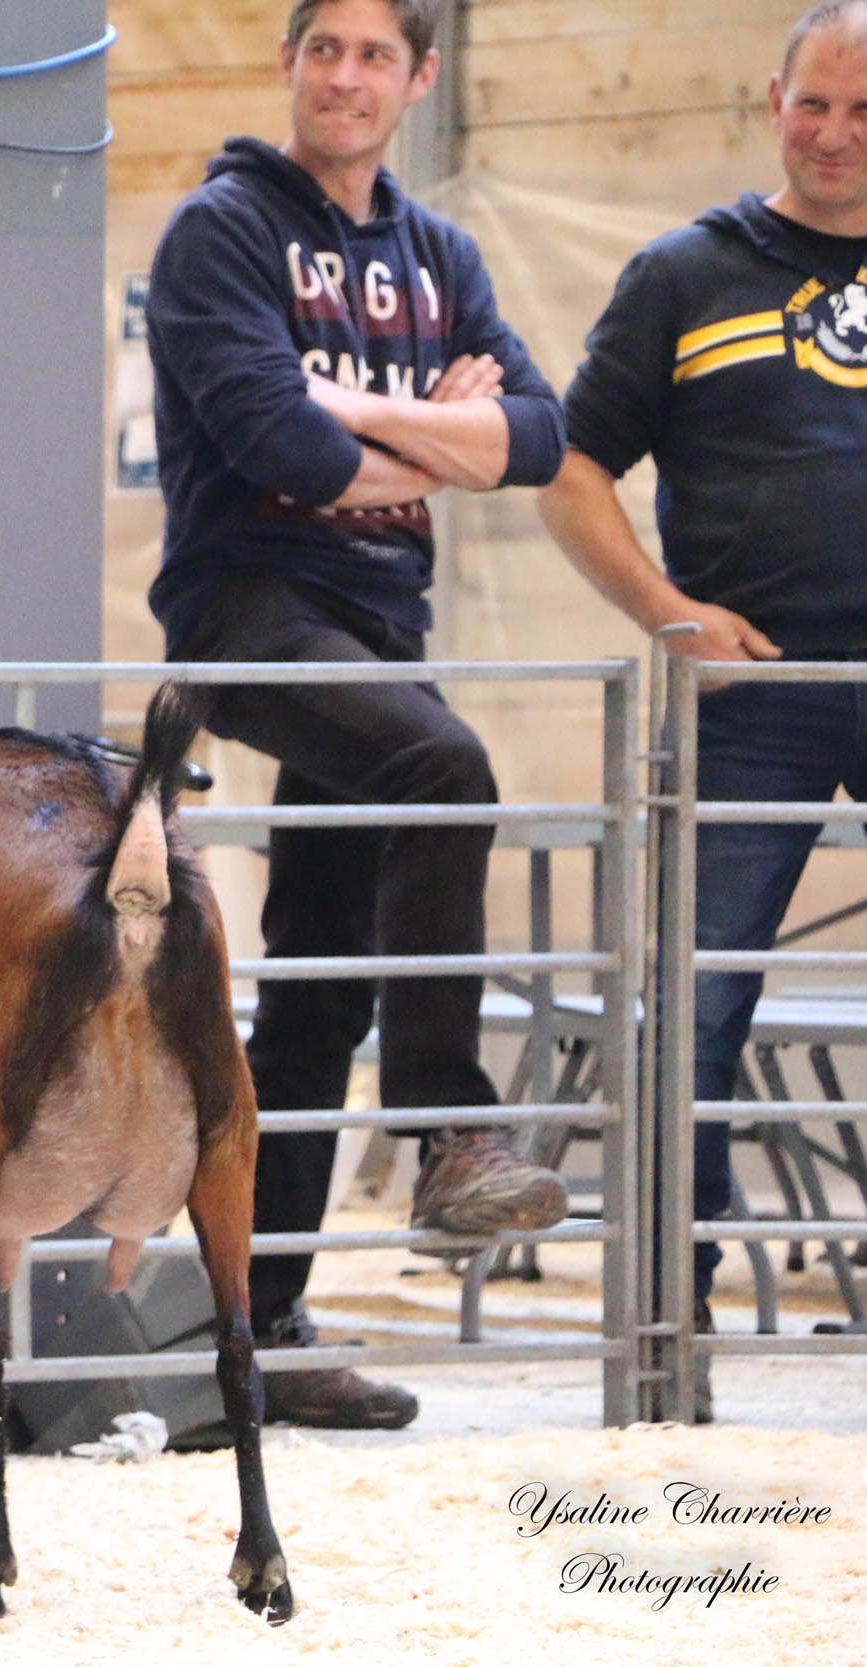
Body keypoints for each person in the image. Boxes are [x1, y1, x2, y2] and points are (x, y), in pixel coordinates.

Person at [145, 0, 570, 1430]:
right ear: (288, 63)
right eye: (323, 49)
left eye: (375, 55)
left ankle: (256, 1334)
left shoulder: (438, 252)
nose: (345, 77)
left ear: (416, 77)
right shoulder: (222, 231)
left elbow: (542, 435)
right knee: (445, 764)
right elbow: (283, 449)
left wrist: (357, 410)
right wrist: (440, 437)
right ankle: (452, 1131)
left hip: (382, 626)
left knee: (318, 984)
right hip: (247, 608)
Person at [539, 0, 867, 1422]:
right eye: (815, 105)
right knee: (695, 1004)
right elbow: (570, 469)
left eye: (865, 112)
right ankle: (675, 1332)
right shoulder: (686, 272)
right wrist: (664, 613)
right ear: (771, 102)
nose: (835, 137)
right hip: (754, 692)